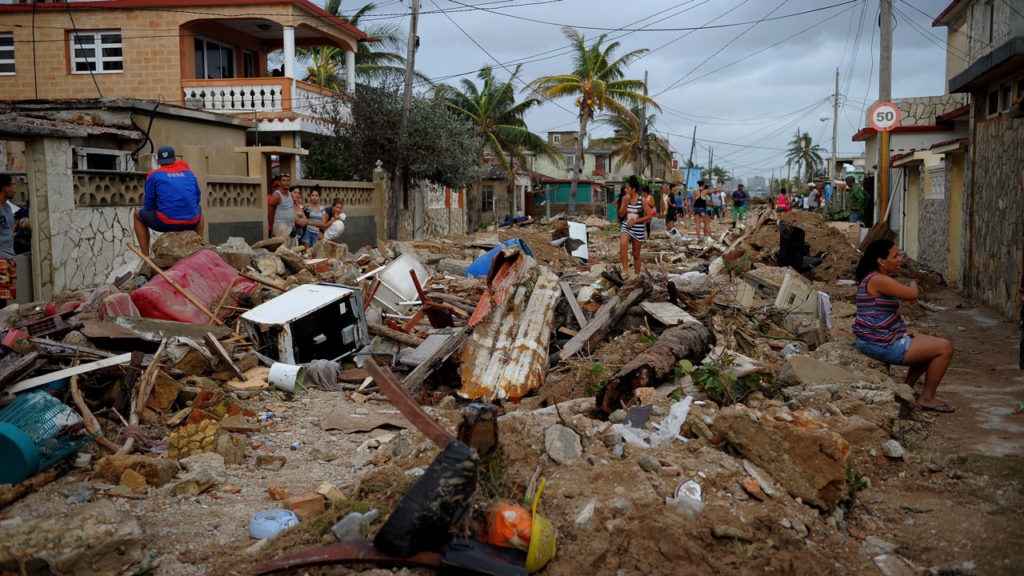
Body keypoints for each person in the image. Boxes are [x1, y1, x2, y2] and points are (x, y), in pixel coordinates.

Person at [854, 239, 955, 413]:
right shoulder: (877, 279)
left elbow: (882, 312)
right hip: (878, 342)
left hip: (875, 338)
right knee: (944, 348)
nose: (900, 259)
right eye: (895, 256)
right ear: (881, 260)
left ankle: (906, 389)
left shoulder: (876, 278)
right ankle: (927, 398)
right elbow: (912, 294)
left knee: (928, 343)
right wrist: (913, 283)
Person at [133, 146, 204, 257]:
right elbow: (197, 198)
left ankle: (145, 257)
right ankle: (200, 245)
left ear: (158, 161)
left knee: (137, 214)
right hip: (192, 222)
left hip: (166, 222)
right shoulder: (189, 173)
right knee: (198, 209)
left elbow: (149, 205)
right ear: (174, 159)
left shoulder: (153, 175)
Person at [618, 175, 652, 277]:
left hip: (638, 229)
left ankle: (637, 275)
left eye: (628, 188)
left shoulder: (642, 200)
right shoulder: (625, 198)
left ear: (633, 189)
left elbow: (649, 216)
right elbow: (621, 214)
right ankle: (625, 271)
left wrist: (635, 221)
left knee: (636, 254)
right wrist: (625, 202)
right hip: (626, 226)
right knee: (623, 244)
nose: (626, 190)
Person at [0, 175, 16, 308]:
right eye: (12, 186)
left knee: (5, 297)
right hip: (0, 259)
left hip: (9, 257)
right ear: (5, 188)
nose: (13, 189)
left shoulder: (9, 208)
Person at [268, 173, 294, 240]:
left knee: (293, 249)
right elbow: (270, 214)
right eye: (284, 180)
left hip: (291, 227)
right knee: (282, 249)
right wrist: (274, 228)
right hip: (280, 227)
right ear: (279, 183)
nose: (286, 182)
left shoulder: (291, 194)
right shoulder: (276, 196)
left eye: (288, 180)